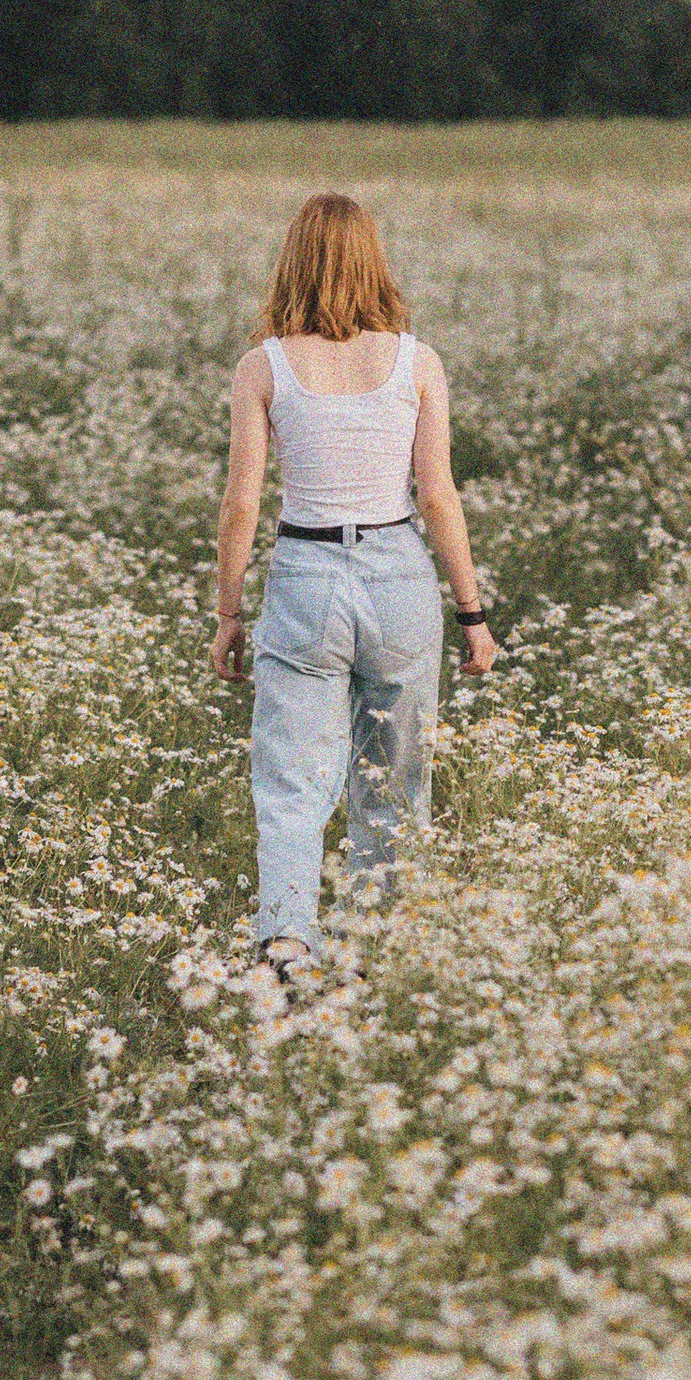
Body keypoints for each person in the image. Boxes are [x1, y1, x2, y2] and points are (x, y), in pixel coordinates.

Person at [212, 192, 496, 977]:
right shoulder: (416, 360)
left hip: (304, 576)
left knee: (292, 777)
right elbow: (438, 495)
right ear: (373, 261)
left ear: (292, 261)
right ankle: (379, 948)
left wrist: (229, 613)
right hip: (399, 573)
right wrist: (472, 612)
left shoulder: (262, 365)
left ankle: (287, 945)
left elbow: (242, 502)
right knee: (396, 775)